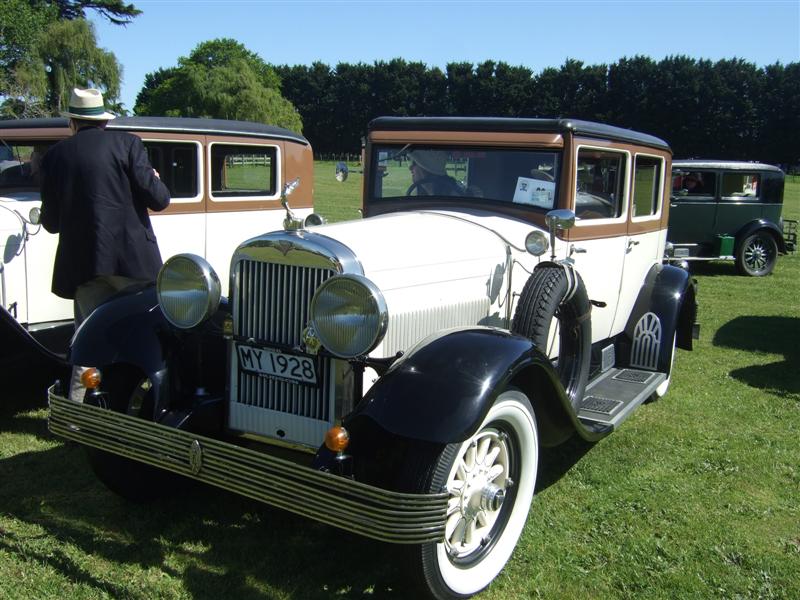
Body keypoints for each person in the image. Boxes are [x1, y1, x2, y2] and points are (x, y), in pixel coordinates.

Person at [39, 87, 170, 400]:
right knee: (146, 335)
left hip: (85, 265)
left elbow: (51, 223)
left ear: (72, 122)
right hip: (134, 263)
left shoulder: (55, 156)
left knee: (87, 341)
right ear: (103, 122)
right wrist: (154, 177)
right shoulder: (128, 144)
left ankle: (76, 416)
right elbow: (160, 199)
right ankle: (146, 404)